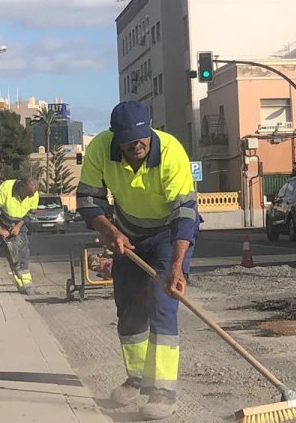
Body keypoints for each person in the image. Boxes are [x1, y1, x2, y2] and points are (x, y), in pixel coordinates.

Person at [75, 101, 200, 420]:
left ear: (150, 129)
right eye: (129, 140)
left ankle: (163, 390)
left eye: (142, 137)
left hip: (166, 236)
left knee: (162, 301)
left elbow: (185, 214)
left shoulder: (171, 151)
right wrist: (109, 231)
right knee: (128, 308)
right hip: (126, 234)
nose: (137, 144)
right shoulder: (101, 149)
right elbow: (88, 201)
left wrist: (176, 266)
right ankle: (137, 379)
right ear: (115, 137)